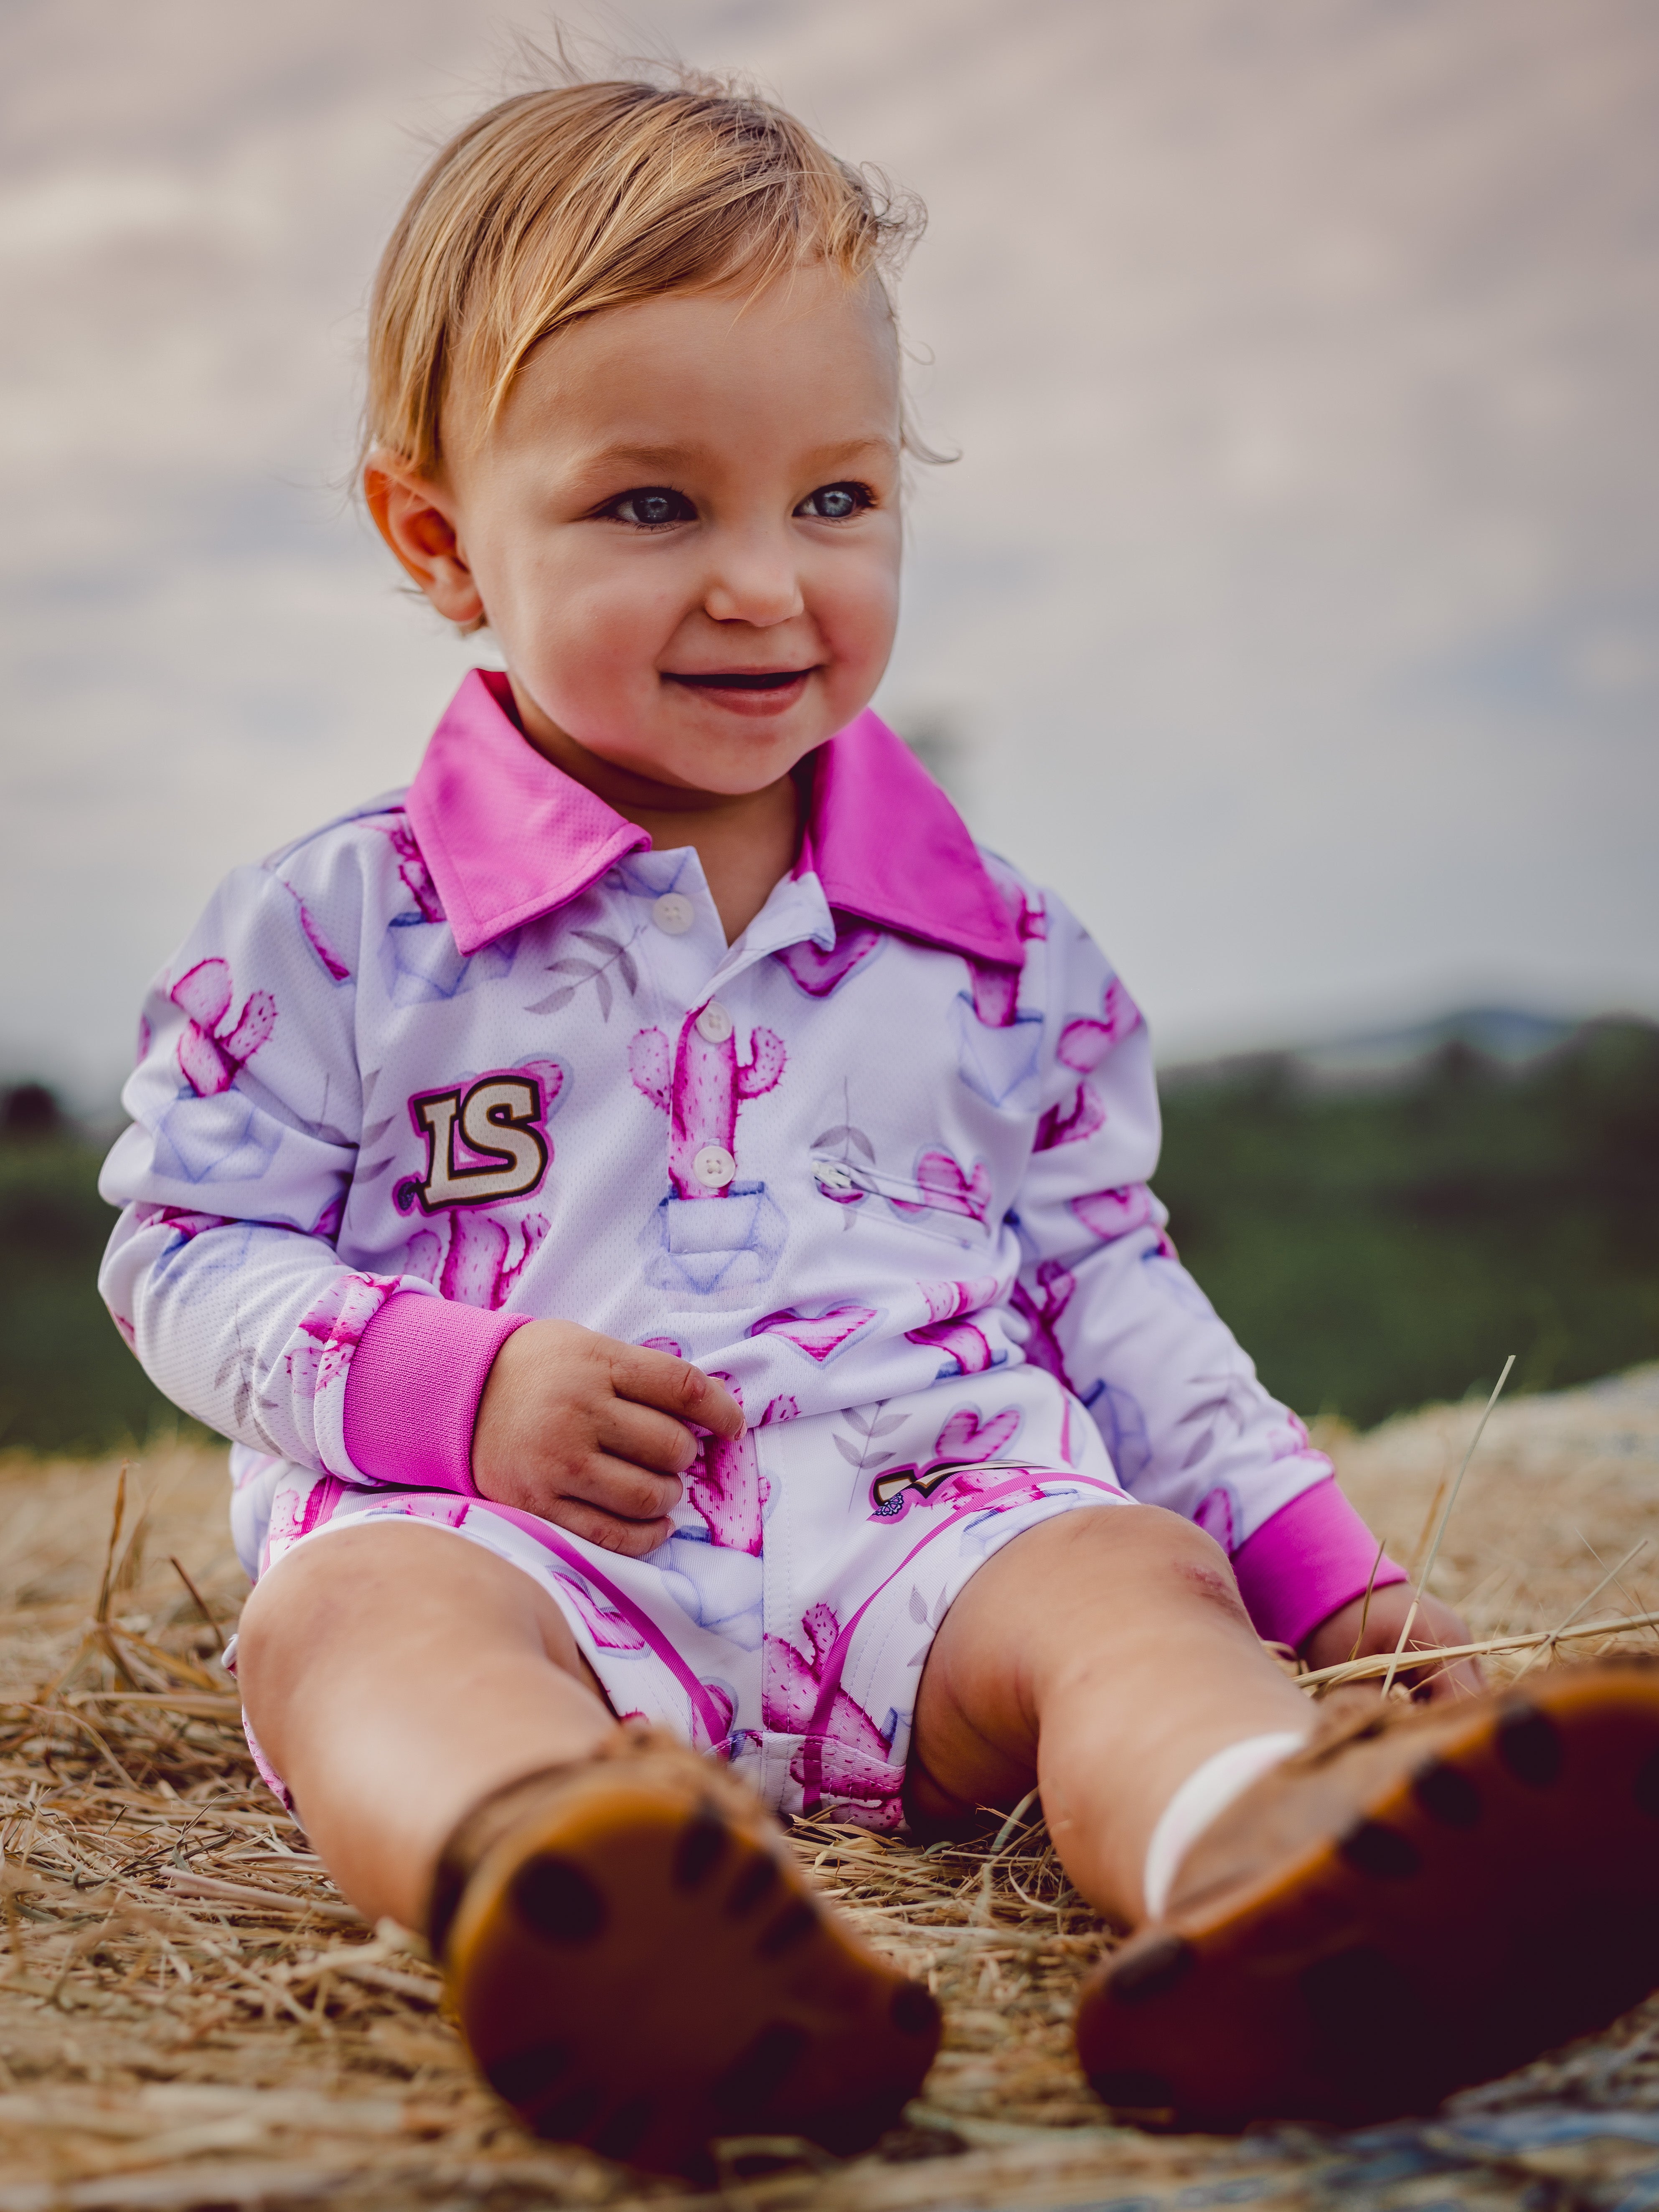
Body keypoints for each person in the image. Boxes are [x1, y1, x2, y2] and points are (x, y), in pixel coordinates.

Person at [99, 73, 1659, 2176]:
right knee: (352, 1626)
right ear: (441, 538)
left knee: (1128, 1582)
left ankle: (1261, 1859)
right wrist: (449, 1386)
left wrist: (1324, 1576)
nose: (766, 583)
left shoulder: (1004, 954)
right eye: (652, 508)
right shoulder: (341, 930)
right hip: (519, 1546)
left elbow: (1111, 1289)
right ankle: (564, 1876)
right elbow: (183, 1250)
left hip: (931, 1534)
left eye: (834, 498)